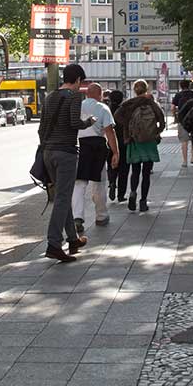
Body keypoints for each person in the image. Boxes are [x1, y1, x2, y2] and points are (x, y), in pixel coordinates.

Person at [39, 63, 94, 262]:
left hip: (48, 152)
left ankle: (73, 239)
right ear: (78, 80)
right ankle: (54, 243)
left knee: (63, 195)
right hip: (66, 153)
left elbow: (41, 127)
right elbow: (74, 123)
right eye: (81, 82)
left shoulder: (50, 96)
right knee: (62, 198)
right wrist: (89, 122)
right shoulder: (74, 97)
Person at [72, 83, 120, 231]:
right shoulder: (103, 108)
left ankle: (77, 217)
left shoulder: (77, 107)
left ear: (87, 94)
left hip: (80, 146)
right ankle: (101, 216)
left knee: (79, 183)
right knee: (98, 182)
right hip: (97, 146)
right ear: (99, 94)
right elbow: (109, 132)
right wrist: (115, 152)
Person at [114, 79, 165, 212]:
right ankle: (143, 201)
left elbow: (117, 115)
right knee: (146, 173)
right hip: (149, 141)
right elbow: (162, 119)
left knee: (135, 171)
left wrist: (128, 124)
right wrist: (156, 132)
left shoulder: (129, 103)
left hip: (134, 140)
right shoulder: (151, 103)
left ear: (135, 90)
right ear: (146, 89)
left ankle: (132, 193)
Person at [106, 89, 127, 203]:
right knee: (124, 168)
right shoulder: (124, 110)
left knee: (111, 164)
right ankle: (121, 194)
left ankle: (112, 182)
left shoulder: (107, 109)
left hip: (109, 141)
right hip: (123, 142)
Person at [171, 80, 193, 169]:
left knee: (184, 141)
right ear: (189, 86)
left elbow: (173, 107)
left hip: (182, 120)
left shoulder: (178, 95)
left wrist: (175, 116)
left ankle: (185, 161)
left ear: (181, 86)